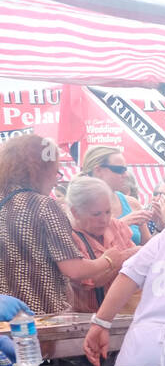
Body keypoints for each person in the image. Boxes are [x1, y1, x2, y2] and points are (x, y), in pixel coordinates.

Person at [0, 135, 127, 316]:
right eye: (56, 172)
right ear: (41, 169)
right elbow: (74, 270)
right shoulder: (44, 205)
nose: (56, 181)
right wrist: (108, 259)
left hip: (5, 318)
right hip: (42, 316)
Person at [65, 176, 138, 312]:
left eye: (108, 212)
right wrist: (121, 258)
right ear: (75, 212)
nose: (104, 220)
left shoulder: (116, 225)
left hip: (123, 314)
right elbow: (88, 281)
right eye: (96, 214)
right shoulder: (67, 236)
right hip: (88, 318)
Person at [79, 146, 151, 246]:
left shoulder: (132, 203)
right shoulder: (79, 206)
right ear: (98, 171)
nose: (125, 174)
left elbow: (148, 247)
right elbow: (84, 246)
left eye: (125, 169)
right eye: (120, 169)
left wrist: (160, 226)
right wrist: (121, 224)